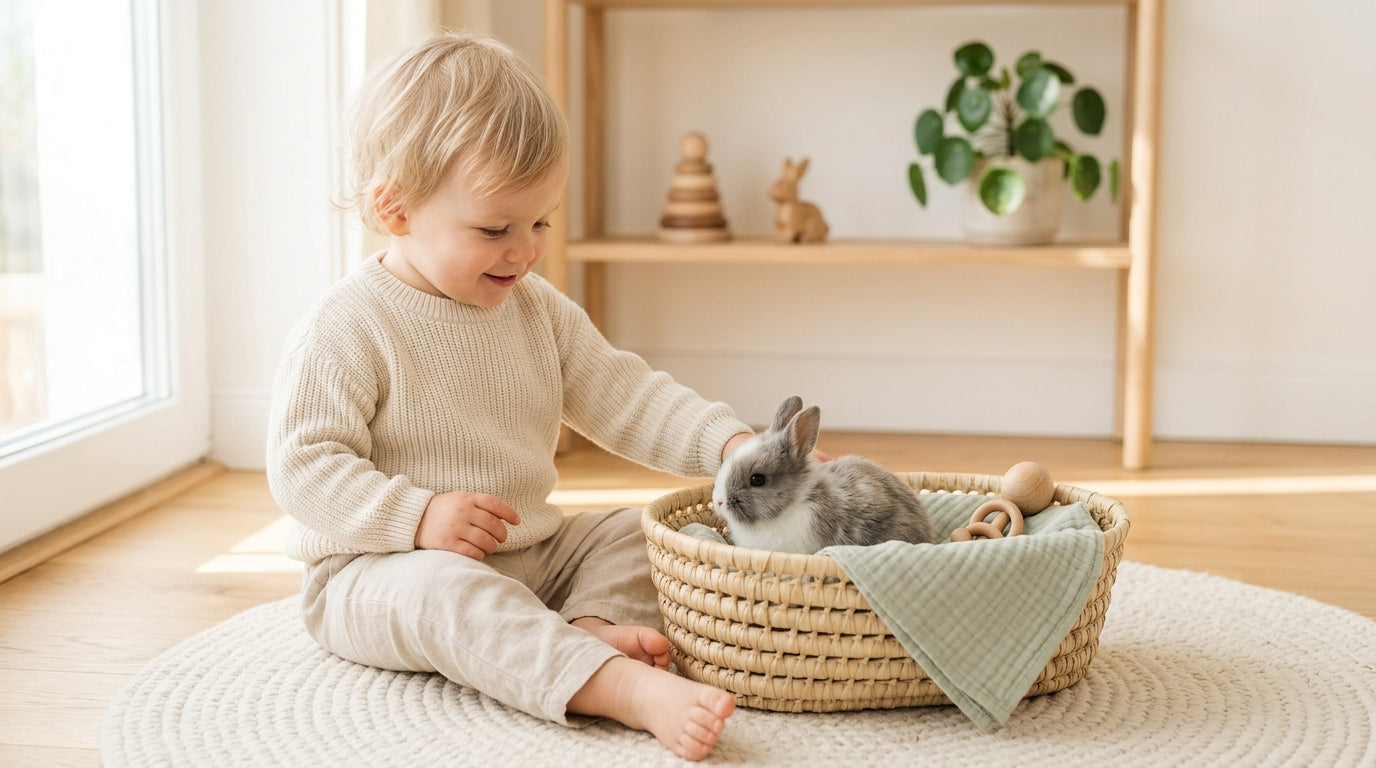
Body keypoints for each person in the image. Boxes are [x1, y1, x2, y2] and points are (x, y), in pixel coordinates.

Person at [266, 31, 752, 761]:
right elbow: (302, 469)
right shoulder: (347, 325)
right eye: (495, 228)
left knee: (646, 531)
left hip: (533, 553)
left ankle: (586, 631)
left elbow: (627, 395)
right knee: (445, 594)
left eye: (540, 223)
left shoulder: (538, 308)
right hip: (378, 573)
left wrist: (733, 448)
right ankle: (614, 687)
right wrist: (417, 515)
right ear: (393, 208)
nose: (525, 251)